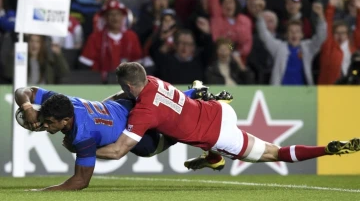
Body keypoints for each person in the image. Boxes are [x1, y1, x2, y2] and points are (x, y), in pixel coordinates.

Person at [93, 62, 359, 173]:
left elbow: (117, 151)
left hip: (220, 135)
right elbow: (129, 91)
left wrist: (84, 148)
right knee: (182, 123)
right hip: (218, 110)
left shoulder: (143, 111)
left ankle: (326, 150)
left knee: (274, 153)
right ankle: (213, 154)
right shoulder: (153, 81)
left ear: (128, 86)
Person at [15, 84, 231, 191]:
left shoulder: (82, 136)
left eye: (50, 122)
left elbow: (80, 182)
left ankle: (203, 102)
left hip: (143, 138)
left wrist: (40, 191)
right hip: (124, 106)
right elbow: (24, 90)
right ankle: (191, 95)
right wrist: (26, 105)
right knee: (127, 96)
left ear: (64, 121)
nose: (45, 125)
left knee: (178, 132)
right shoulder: (62, 102)